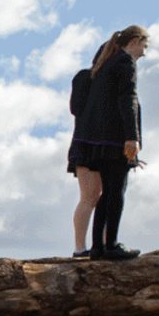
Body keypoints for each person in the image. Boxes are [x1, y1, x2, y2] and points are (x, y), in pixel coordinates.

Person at [75, 25, 149, 260]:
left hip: (96, 141)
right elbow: (128, 98)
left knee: (106, 194)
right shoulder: (125, 63)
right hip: (115, 140)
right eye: (145, 45)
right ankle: (111, 244)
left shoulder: (103, 67)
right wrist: (132, 137)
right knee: (116, 192)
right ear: (135, 40)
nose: (145, 51)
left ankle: (98, 246)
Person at [65, 65, 102, 258]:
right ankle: (80, 247)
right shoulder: (86, 77)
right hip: (86, 143)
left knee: (103, 196)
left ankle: (103, 243)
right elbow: (76, 108)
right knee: (89, 196)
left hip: (100, 144)